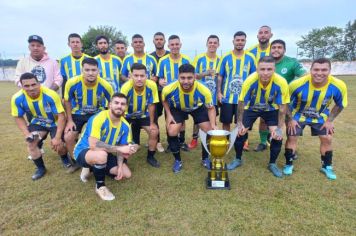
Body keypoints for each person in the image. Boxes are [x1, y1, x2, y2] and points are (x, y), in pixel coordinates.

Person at [284, 58, 347, 180]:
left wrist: (329, 121)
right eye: (316, 69)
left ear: (329, 70)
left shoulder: (338, 85)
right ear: (311, 70)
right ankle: (288, 164)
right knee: (292, 136)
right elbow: (286, 102)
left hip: (321, 116)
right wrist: (291, 119)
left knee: (327, 138)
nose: (319, 73)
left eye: (324, 70)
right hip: (298, 115)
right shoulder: (296, 84)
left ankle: (326, 166)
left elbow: (340, 104)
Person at [226, 56, 289, 178]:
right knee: (240, 132)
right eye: (262, 69)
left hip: (271, 109)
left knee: (277, 137)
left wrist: (279, 128)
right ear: (257, 69)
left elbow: (282, 107)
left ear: (274, 69)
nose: (265, 73)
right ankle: (238, 159)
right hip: (251, 109)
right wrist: (239, 123)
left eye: (269, 69)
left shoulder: (281, 82)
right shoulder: (249, 81)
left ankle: (272, 164)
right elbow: (241, 103)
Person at [74, 93, 138, 201]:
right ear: (110, 105)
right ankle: (100, 186)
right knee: (101, 155)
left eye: (123, 104)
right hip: (84, 150)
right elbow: (94, 145)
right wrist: (119, 149)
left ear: (126, 107)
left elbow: (122, 147)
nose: (119, 106)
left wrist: (120, 164)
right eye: (116, 103)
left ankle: (93, 168)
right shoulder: (99, 118)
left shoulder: (125, 126)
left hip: (105, 151)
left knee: (126, 174)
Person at [11, 73, 71, 180]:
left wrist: (57, 138)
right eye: (27, 86)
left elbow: (61, 116)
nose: (31, 88)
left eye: (34, 84)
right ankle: (41, 169)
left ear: (39, 83)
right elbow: (18, 117)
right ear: (21, 85)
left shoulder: (50, 95)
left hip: (55, 123)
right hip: (38, 123)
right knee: (31, 143)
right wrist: (27, 134)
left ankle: (64, 158)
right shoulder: (17, 98)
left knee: (59, 145)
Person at [162, 64, 216, 173]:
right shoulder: (168, 88)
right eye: (183, 78)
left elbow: (211, 108)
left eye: (189, 78)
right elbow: (164, 100)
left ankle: (205, 159)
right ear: (178, 77)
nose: (186, 81)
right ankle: (178, 160)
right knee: (172, 131)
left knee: (209, 131)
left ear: (195, 77)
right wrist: (169, 114)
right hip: (178, 108)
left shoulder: (204, 89)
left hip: (197, 108)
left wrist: (214, 125)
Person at [64, 58, 113, 172]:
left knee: (98, 137)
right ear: (82, 70)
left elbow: (112, 102)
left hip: (97, 114)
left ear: (98, 71)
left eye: (93, 70)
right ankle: (77, 161)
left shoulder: (105, 85)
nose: (90, 73)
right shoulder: (72, 83)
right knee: (68, 137)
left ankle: (96, 159)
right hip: (77, 114)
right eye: (87, 70)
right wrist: (70, 120)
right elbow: (67, 100)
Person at [120, 63, 160, 167]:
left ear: (146, 76)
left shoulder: (152, 85)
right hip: (128, 116)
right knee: (122, 135)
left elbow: (151, 105)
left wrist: (152, 123)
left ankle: (150, 156)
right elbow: (122, 107)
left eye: (142, 76)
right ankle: (123, 159)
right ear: (130, 76)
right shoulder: (125, 88)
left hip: (143, 115)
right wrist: (122, 125)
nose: (139, 79)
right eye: (136, 75)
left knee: (154, 132)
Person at [217, 31, 256, 134]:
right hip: (227, 97)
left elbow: (254, 77)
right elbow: (220, 76)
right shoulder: (225, 57)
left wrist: (252, 94)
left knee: (243, 121)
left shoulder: (251, 57)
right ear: (233, 41)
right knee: (226, 121)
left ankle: (243, 141)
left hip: (244, 98)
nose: (240, 42)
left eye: (242, 40)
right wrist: (219, 93)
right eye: (237, 40)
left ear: (245, 41)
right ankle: (226, 140)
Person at [158, 35, 191, 152]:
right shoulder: (163, 61)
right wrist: (160, 81)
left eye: (177, 44)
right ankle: (170, 143)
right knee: (169, 119)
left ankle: (181, 142)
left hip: (183, 95)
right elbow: (159, 78)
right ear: (168, 46)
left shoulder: (186, 59)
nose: (175, 47)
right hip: (168, 97)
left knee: (182, 120)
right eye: (172, 44)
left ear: (180, 45)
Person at [188, 35, 221, 150]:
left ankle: (211, 138)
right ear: (206, 44)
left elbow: (222, 77)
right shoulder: (199, 58)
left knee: (212, 117)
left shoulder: (220, 60)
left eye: (215, 42)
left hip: (214, 95)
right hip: (199, 95)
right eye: (210, 42)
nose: (212, 44)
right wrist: (206, 73)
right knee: (198, 118)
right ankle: (194, 138)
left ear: (218, 45)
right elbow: (192, 75)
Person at [248, 26, 274, 152]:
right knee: (249, 116)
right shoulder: (251, 51)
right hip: (254, 90)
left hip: (271, 89)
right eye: (260, 33)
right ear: (257, 36)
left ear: (271, 35)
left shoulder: (274, 49)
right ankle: (256, 142)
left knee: (266, 117)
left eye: (266, 32)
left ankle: (265, 140)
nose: (263, 35)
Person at [150, 32, 170, 152]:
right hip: (155, 93)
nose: (158, 41)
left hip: (168, 93)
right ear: (153, 41)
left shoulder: (169, 55)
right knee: (155, 117)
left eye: (161, 39)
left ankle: (171, 141)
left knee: (170, 116)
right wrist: (157, 82)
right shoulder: (150, 57)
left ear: (164, 41)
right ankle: (157, 142)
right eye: (156, 39)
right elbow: (151, 76)